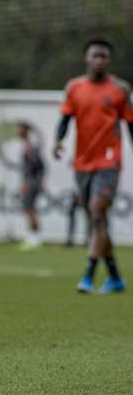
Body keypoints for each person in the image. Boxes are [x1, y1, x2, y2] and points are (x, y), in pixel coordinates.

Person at [53, 37, 131, 294]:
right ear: (86, 58)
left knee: (97, 212)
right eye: (95, 55)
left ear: (109, 61)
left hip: (109, 161)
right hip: (82, 162)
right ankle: (115, 277)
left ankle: (87, 276)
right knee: (97, 221)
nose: (99, 60)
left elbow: (130, 124)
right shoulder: (74, 88)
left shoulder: (120, 90)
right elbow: (65, 118)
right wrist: (58, 141)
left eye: (104, 56)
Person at [18, 122, 44, 250]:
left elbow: (39, 166)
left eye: (20, 130)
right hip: (31, 182)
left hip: (31, 183)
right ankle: (32, 236)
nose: (18, 132)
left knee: (30, 209)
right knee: (29, 209)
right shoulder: (26, 147)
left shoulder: (30, 148)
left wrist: (29, 182)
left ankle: (34, 237)